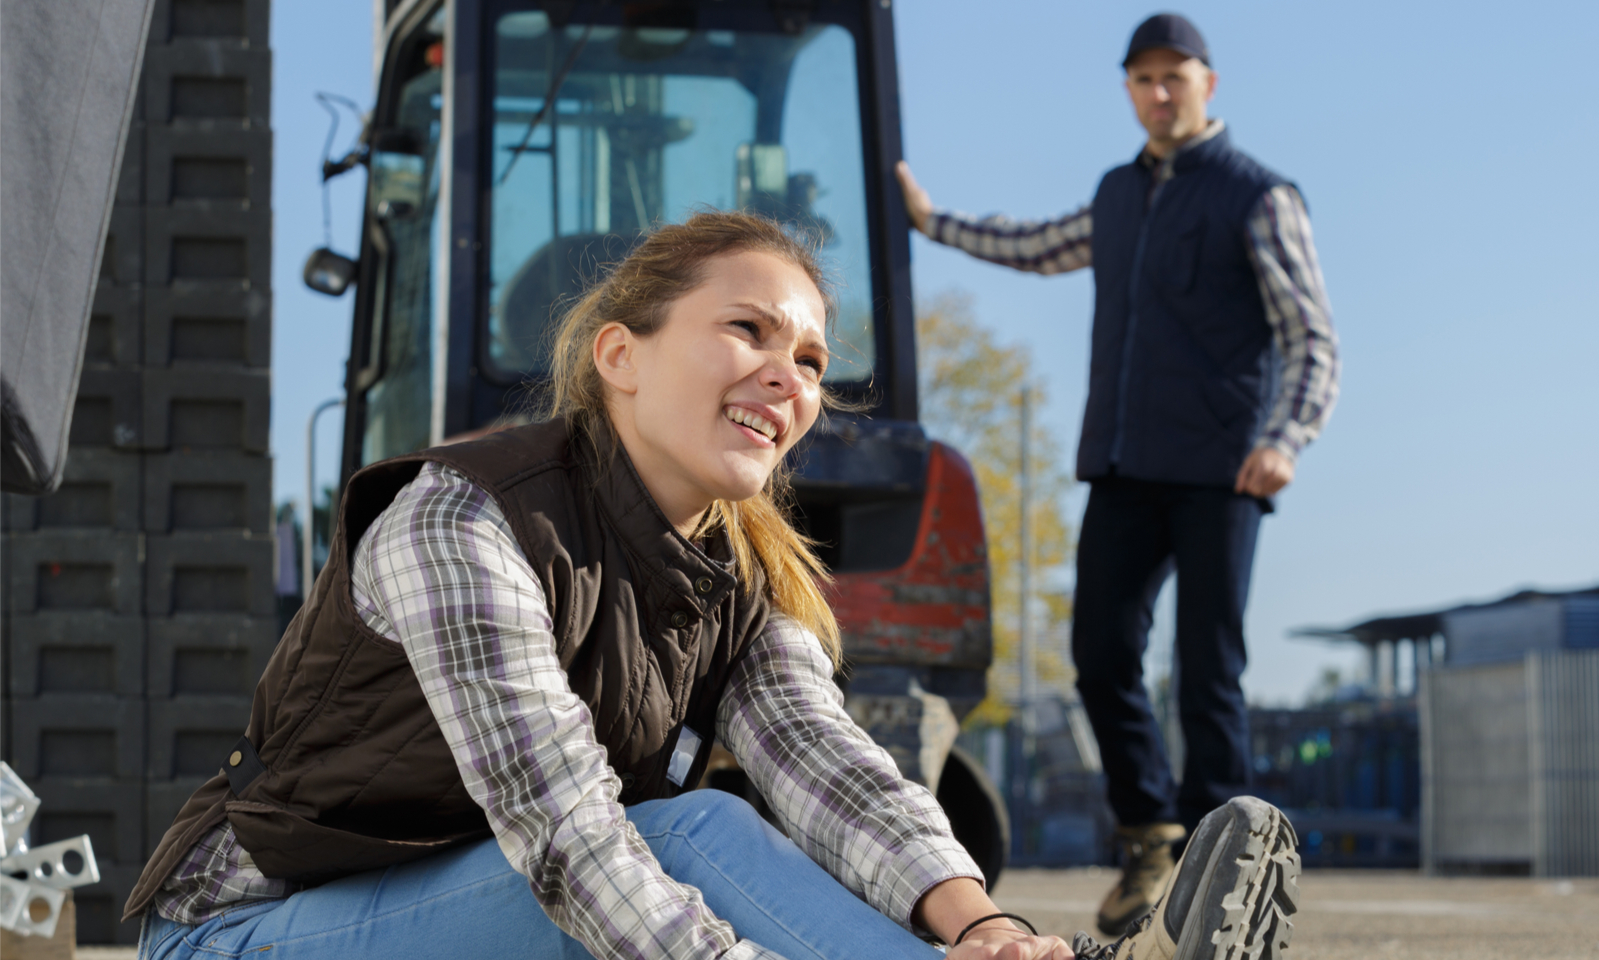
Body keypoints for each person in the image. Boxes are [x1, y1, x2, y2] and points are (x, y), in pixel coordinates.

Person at [122, 211, 1298, 960]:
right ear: (620, 359)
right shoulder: (464, 519)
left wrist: (981, 923)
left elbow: (833, 772)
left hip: (457, 906)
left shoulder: (737, 575)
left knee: (704, 830)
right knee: (675, 839)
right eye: (747, 330)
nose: (786, 377)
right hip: (244, 935)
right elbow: (568, 837)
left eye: (810, 361)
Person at [896, 12, 1337, 936]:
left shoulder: (1258, 196)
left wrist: (1285, 440)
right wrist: (933, 223)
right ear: (1130, 90)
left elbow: (1312, 337)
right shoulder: (1116, 195)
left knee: (1207, 669)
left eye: (1175, 78)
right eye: (1143, 80)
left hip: (1224, 470)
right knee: (1099, 653)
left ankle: (1231, 863)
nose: (1159, 94)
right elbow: (1039, 245)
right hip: (1124, 464)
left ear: (1208, 85)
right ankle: (1150, 841)